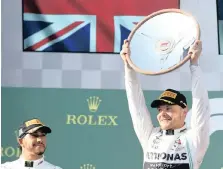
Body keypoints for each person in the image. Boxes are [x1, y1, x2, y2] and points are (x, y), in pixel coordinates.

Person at [120, 39, 210, 169]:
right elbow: (136, 105)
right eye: (159, 109)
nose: (162, 114)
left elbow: (201, 104)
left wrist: (194, 64)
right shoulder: (150, 136)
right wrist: (128, 66)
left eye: (168, 108)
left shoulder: (194, 138)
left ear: (184, 111)